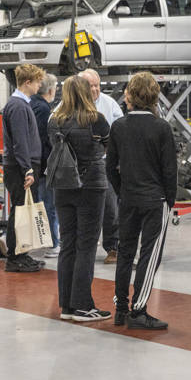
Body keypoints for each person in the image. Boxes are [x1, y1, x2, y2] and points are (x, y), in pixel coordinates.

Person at [107, 72, 177, 330]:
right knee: (149, 255)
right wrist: (169, 200)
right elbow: (170, 171)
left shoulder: (119, 127)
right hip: (154, 200)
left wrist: (122, 191)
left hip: (128, 199)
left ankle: (121, 308)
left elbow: (110, 167)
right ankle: (139, 310)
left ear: (131, 95)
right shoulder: (161, 128)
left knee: (125, 252)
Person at [49, 76, 112, 322]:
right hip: (90, 187)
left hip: (62, 187)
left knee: (68, 244)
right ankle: (83, 305)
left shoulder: (54, 122)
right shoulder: (96, 120)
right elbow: (110, 148)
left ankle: (67, 306)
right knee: (86, 245)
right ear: (87, 93)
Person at [1, 63, 46, 273]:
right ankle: (14, 257)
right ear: (27, 82)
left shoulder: (20, 104)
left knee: (22, 211)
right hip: (20, 168)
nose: (39, 86)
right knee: (19, 212)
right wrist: (27, 169)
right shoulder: (18, 106)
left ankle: (21, 254)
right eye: (37, 82)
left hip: (20, 166)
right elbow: (20, 141)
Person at [79, 68, 123, 264]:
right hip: (78, 167)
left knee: (110, 207)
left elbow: (120, 129)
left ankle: (113, 247)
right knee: (81, 208)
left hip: (104, 164)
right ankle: (81, 246)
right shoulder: (70, 104)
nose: (96, 89)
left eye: (97, 85)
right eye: (91, 86)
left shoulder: (109, 103)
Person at [30, 73, 60, 258]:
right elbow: (43, 139)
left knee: (42, 204)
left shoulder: (30, 103)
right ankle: (53, 243)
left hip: (34, 165)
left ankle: (48, 240)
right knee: (49, 205)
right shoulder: (43, 108)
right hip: (43, 166)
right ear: (50, 90)